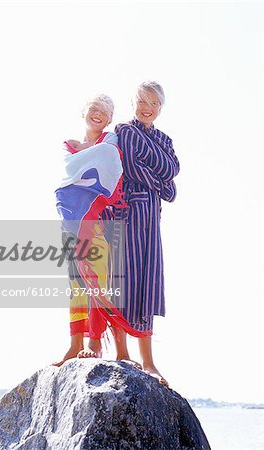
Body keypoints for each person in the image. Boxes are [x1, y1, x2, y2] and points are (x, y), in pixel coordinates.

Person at [52, 94, 150, 368]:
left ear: (109, 119)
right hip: (72, 219)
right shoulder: (69, 146)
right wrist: (85, 169)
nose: (98, 114)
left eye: (105, 112)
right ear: (84, 111)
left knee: (105, 282)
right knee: (76, 283)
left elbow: (108, 163)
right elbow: (68, 176)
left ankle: (102, 345)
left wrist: (86, 171)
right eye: (94, 108)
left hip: (103, 222)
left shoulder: (109, 142)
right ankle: (75, 345)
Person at [113, 81, 180, 386]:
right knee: (124, 276)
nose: (147, 107)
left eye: (153, 103)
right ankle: (121, 352)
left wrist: (152, 168)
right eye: (142, 101)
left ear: (160, 108)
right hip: (127, 211)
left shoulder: (165, 139)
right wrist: (158, 178)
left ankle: (149, 361)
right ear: (134, 102)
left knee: (148, 280)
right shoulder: (125, 131)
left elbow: (173, 171)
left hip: (152, 215)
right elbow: (136, 170)